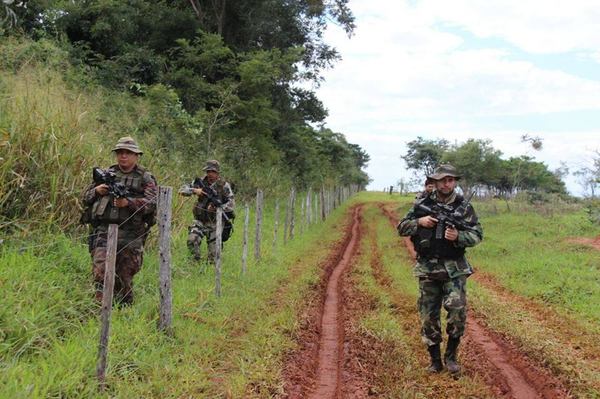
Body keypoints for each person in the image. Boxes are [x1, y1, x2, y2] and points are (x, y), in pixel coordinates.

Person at [397, 164, 483, 375]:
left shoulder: (464, 207)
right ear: (434, 182)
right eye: (443, 180)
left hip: (455, 270)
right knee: (428, 316)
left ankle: (451, 358)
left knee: (456, 312)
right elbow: (402, 227)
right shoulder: (422, 204)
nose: (447, 183)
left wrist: (459, 237)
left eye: (451, 180)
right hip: (428, 268)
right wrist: (420, 222)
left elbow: (477, 235)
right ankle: (435, 361)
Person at [81, 137, 157, 305]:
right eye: (120, 153)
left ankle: (124, 312)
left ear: (136, 156)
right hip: (104, 230)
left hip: (131, 234)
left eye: (128, 153)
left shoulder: (145, 178)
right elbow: (85, 198)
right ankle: (100, 309)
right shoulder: (107, 174)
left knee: (124, 277)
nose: (123, 156)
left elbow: (152, 203)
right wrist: (97, 191)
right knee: (100, 271)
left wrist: (128, 203)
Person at [180, 160, 235, 264]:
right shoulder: (199, 182)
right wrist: (194, 191)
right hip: (200, 220)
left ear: (217, 173)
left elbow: (231, 204)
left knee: (213, 257)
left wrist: (218, 207)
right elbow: (182, 190)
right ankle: (194, 263)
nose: (210, 174)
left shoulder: (223, 185)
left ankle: (209, 271)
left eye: (213, 171)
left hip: (215, 222)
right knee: (192, 240)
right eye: (208, 171)